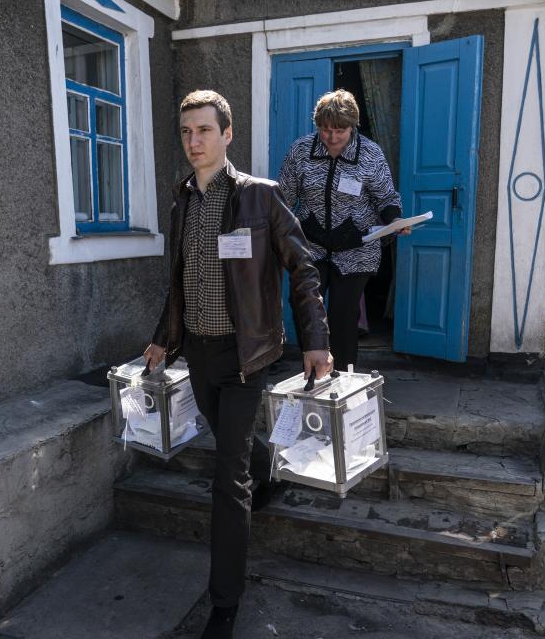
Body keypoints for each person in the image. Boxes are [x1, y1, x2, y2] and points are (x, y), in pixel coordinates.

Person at [143, 90, 332, 639]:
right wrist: (162, 339)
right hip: (198, 354)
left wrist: (316, 340)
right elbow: (176, 284)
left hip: (246, 357)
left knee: (227, 481)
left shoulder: (262, 199)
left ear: (228, 135)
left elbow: (303, 270)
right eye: (186, 132)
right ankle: (266, 470)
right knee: (234, 446)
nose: (193, 142)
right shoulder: (181, 201)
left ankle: (224, 603)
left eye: (204, 130)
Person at [278, 89, 408, 370]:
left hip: (356, 248)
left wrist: (395, 219)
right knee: (305, 306)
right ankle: (313, 367)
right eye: (325, 130)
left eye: (340, 130)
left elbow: (386, 196)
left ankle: (343, 376)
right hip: (310, 245)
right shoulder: (301, 151)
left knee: (343, 315)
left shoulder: (370, 154)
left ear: (353, 127)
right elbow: (284, 197)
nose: (332, 138)